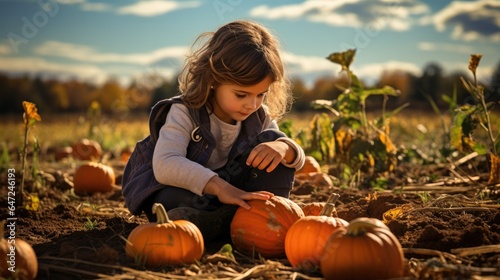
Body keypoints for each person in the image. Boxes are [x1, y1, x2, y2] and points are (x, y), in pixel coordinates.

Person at [138, 20, 305, 242]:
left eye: (261, 94)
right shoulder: (185, 112)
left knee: (275, 141)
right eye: (241, 95)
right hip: (200, 197)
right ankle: (228, 223)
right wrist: (219, 187)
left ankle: (248, 220)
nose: (252, 104)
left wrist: (283, 148)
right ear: (214, 79)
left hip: (240, 198)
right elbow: (165, 164)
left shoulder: (258, 116)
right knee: (169, 199)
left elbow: (298, 160)